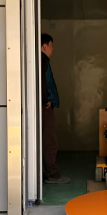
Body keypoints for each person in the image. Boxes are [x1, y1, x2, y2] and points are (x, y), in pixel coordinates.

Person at [41, 34, 70, 184]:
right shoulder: (42, 61)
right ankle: (51, 174)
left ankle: (46, 172)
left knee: (46, 140)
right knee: (49, 141)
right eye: (51, 45)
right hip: (45, 108)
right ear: (44, 46)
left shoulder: (40, 60)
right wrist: (45, 100)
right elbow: (41, 83)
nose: (53, 49)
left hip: (43, 106)